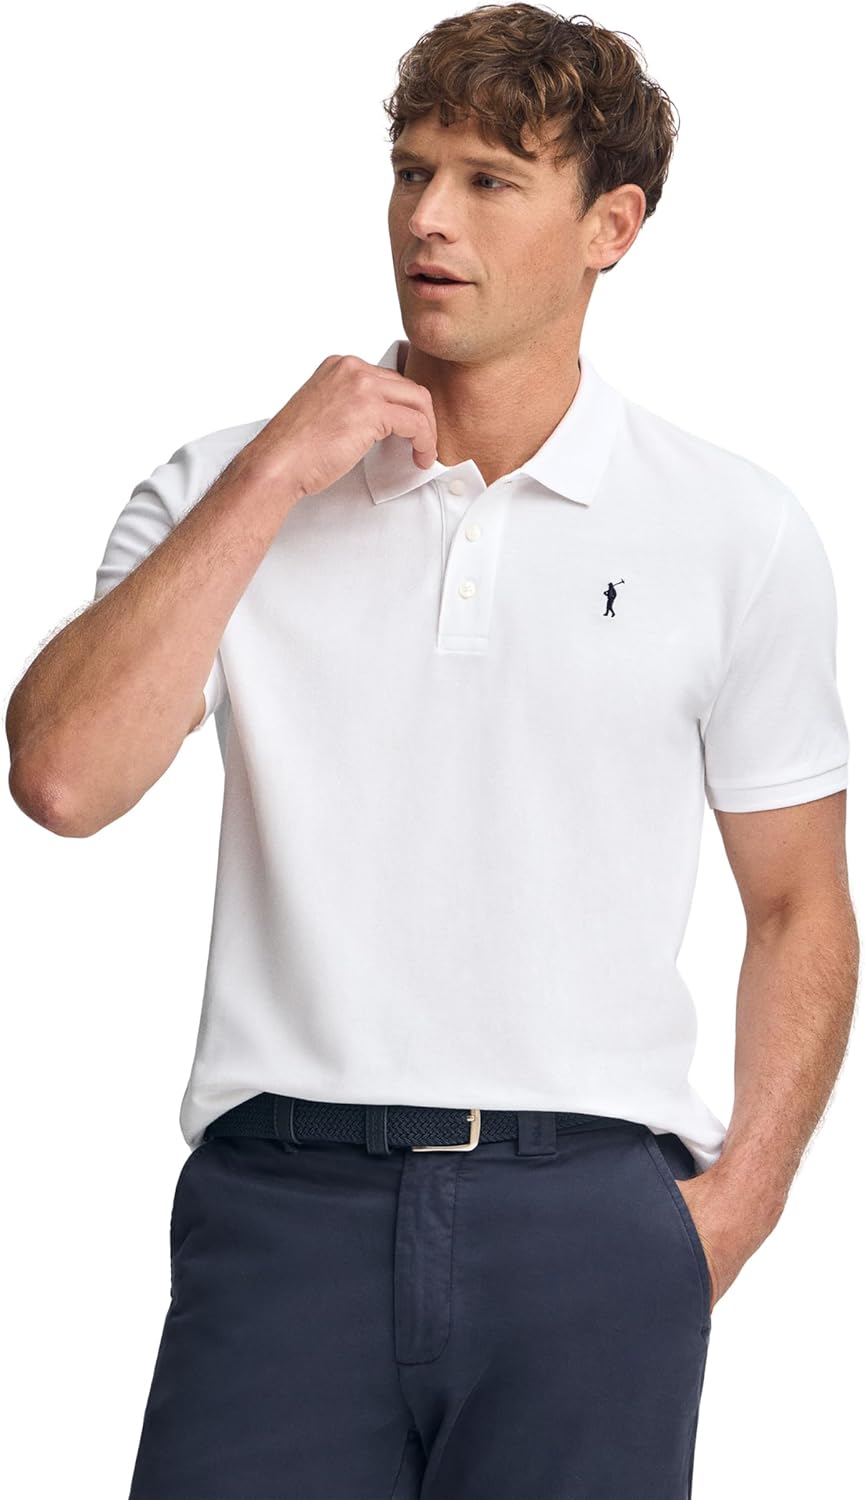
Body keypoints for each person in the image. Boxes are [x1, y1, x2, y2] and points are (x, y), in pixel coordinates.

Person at [6, 6, 858, 1498]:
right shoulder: (222, 488)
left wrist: (733, 1210)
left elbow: (798, 903)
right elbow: (63, 780)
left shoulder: (734, 529)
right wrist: (275, 472)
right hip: (282, 1209)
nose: (427, 218)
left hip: (590, 1220)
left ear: (610, 227)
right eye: (411, 172)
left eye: (487, 181)